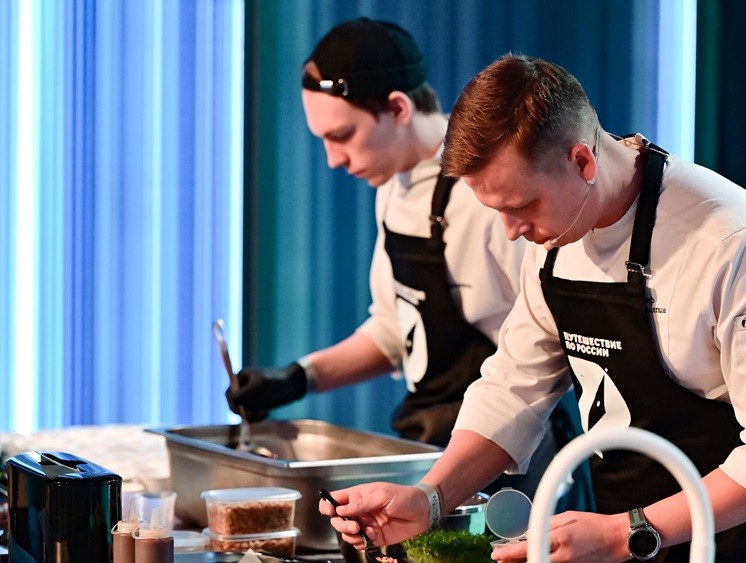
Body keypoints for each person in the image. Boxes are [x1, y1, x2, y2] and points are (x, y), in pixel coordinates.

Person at [321, 54, 746, 563]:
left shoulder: (732, 241)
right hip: (629, 541)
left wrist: (620, 534)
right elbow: (514, 387)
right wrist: (430, 499)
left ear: (582, 161)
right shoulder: (555, 235)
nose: (511, 232)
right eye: (496, 211)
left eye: (521, 206)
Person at [226, 21, 591, 509]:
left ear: (398, 108)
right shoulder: (394, 188)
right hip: (433, 440)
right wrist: (297, 377)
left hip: (510, 459)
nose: (333, 160)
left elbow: (547, 347)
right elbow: (396, 329)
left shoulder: (492, 196)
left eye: (343, 136)